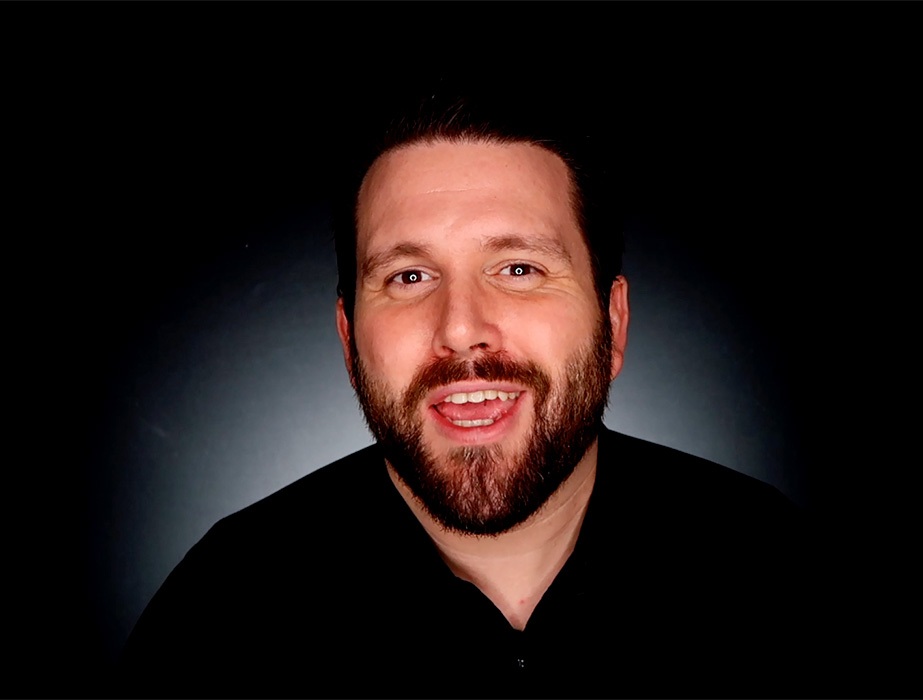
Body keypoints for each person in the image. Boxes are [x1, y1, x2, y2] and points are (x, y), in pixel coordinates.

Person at [118, 81, 812, 698]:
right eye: (409, 277)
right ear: (348, 338)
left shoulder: (779, 575)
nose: (461, 331)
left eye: (517, 268)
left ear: (613, 321)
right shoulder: (220, 614)